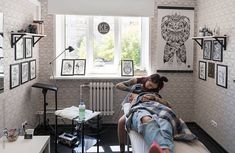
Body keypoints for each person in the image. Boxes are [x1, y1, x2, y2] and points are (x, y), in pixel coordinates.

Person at [115, 73, 171, 153]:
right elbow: (118, 85)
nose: (150, 87)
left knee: (156, 119)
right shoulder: (138, 82)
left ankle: (162, 146)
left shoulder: (154, 92)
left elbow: (168, 104)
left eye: (152, 87)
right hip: (137, 107)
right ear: (148, 79)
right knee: (121, 122)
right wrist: (134, 92)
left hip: (150, 107)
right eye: (150, 84)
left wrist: (154, 98)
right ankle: (122, 148)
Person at [126, 93, 196, 153]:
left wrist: (154, 98)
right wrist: (136, 99)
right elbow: (130, 107)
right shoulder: (136, 97)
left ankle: (164, 150)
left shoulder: (155, 95)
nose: (129, 98)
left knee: (165, 126)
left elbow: (169, 105)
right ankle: (164, 149)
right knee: (146, 119)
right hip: (141, 108)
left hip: (160, 110)